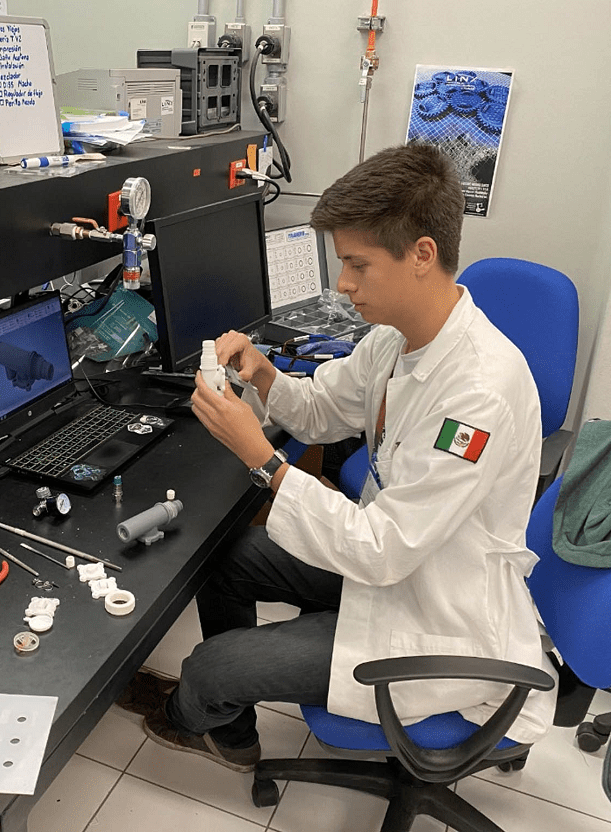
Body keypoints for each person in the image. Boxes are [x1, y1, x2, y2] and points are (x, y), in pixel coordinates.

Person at [122, 143, 557, 772]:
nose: (343, 283)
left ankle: (193, 713)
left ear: (422, 255)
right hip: (400, 567)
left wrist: (264, 460)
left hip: (439, 615)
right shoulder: (396, 339)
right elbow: (321, 408)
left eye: (358, 264)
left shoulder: (478, 394)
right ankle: (233, 732)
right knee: (226, 559)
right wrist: (264, 374)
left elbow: (382, 550)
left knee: (209, 668)